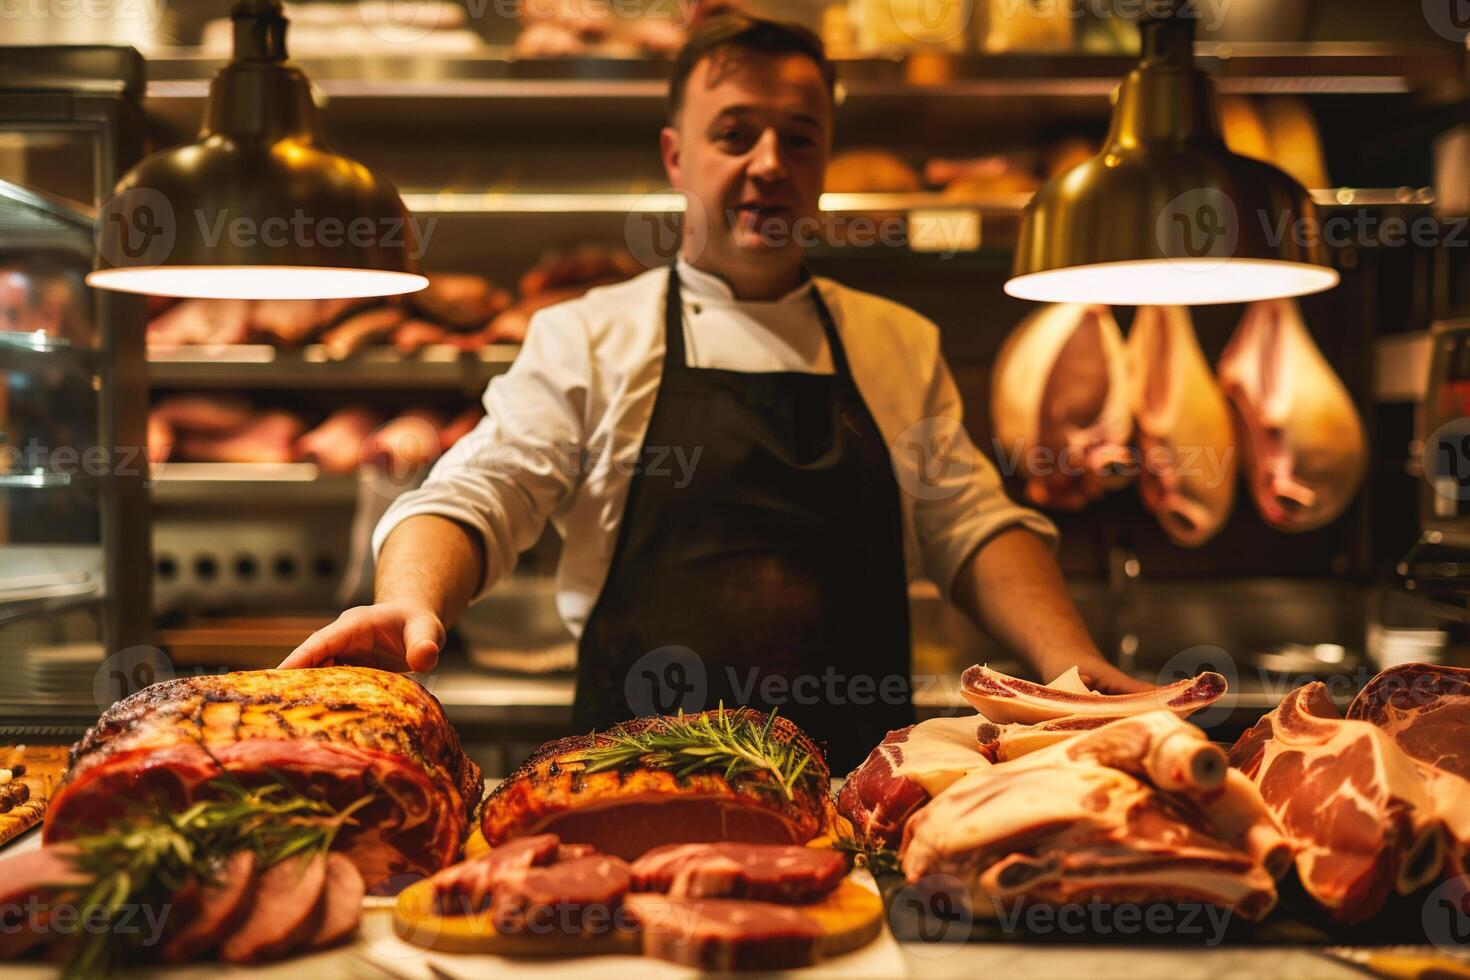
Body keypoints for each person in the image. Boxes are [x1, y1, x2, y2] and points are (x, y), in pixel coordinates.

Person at [281, 15, 1148, 769]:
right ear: (676, 156)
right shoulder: (591, 335)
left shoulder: (895, 342)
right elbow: (484, 489)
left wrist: (1069, 661)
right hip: (631, 781)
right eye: (736, 133)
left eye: (799, 137)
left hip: (859, 796)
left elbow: (970, 527)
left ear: (822, 160)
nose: (769, 163)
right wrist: (409, 598)